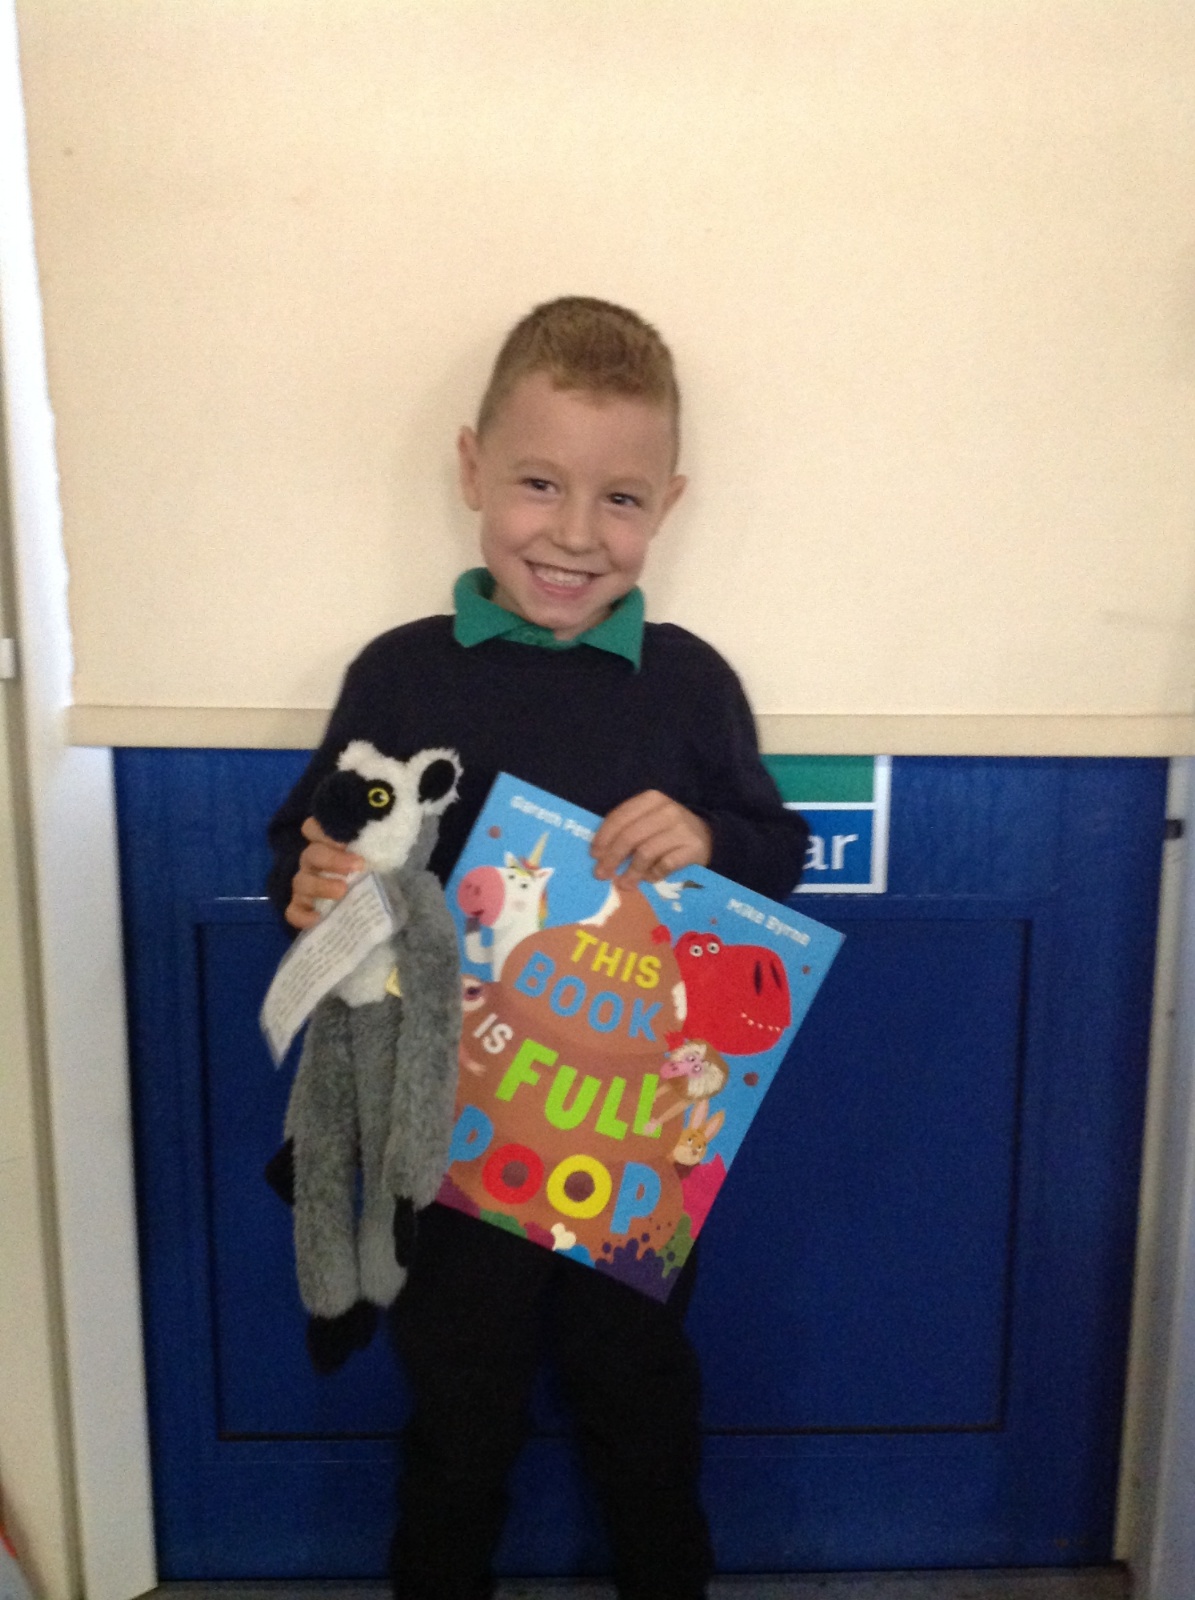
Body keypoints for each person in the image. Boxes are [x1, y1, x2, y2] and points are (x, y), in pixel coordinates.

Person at [266, 296, 810, 1600]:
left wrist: (709, 837)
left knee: (642, 1399)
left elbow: (775, 849)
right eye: (538, 484)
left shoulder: (688, 683)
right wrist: (311, 879)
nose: (573, 533)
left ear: (668, 505)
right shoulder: (402, 674)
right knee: (459, 1411)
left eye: (619, 499)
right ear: (472, 470)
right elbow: (312, 839)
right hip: (447, 1139)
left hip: (632, 1140)